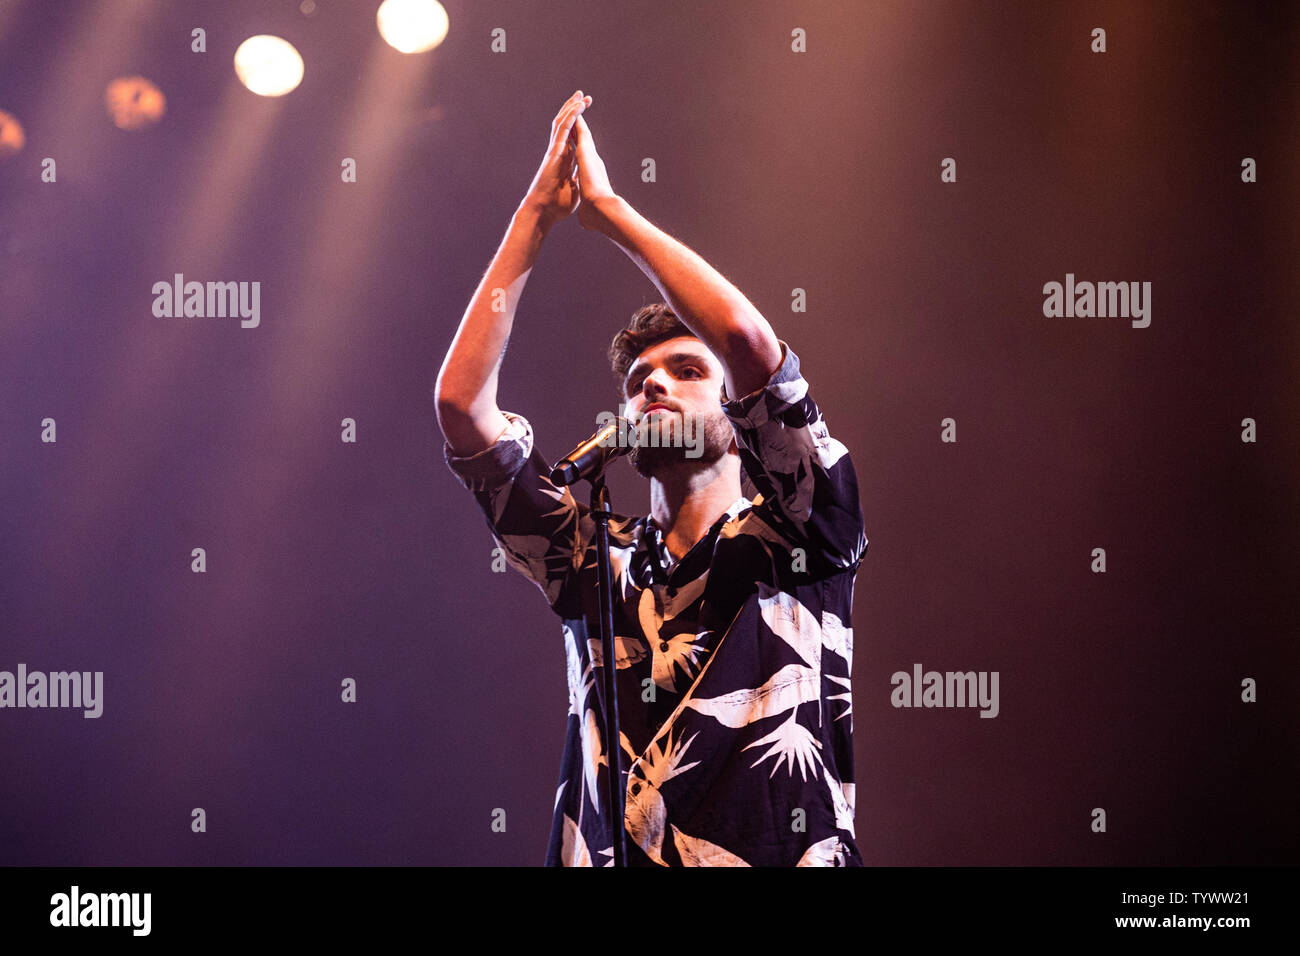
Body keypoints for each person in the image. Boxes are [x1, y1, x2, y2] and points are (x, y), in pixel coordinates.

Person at [435, 90, 868, 866]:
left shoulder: (802, 526)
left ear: (740, 414)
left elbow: (744, 338)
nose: (653, 386)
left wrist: (609, 211)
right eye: (638, 379)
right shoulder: (593, 562)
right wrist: (535, 214)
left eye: (684, 370)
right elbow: (463, 408)